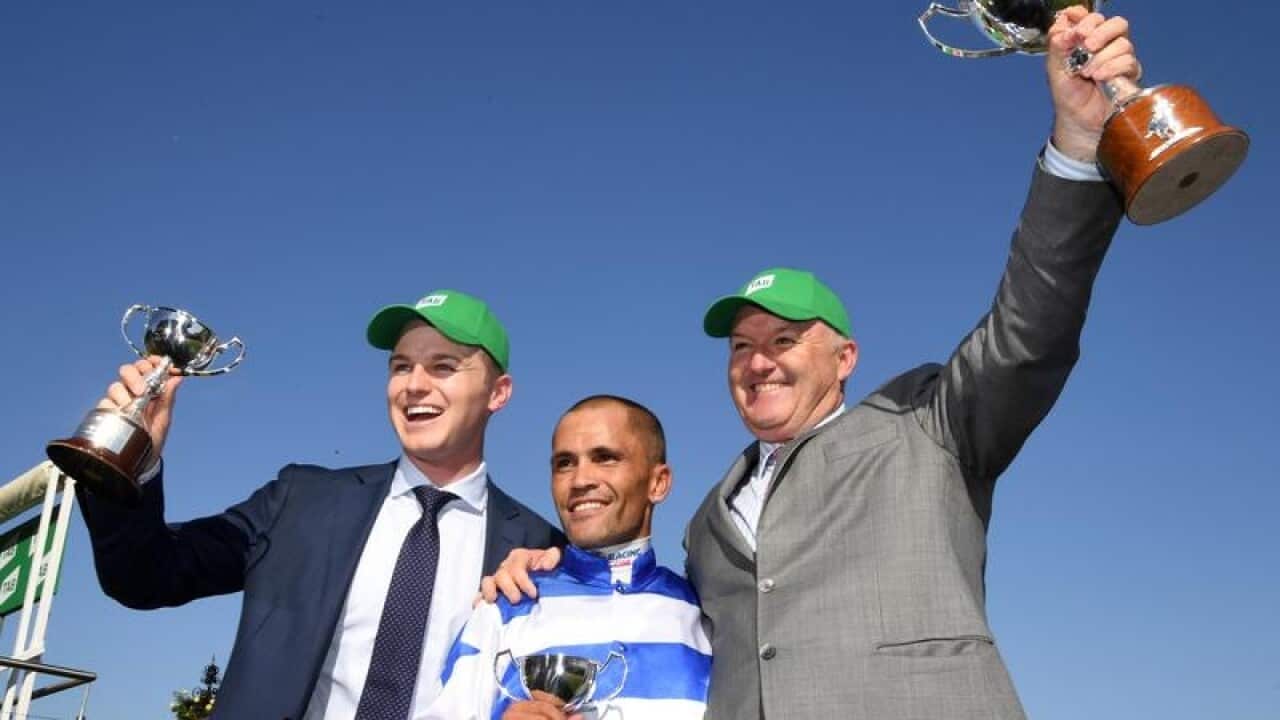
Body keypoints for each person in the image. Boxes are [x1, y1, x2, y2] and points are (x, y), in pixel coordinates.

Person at [484, 8, 1140, 719]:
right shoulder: (705, 527)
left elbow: (1030, 331)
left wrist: (1077, 143)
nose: (758, 363)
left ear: (846, 357)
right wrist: (549, 566)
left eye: (784, 340)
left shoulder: (929, 428)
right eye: (741, 347)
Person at [77, 289, 565, 719]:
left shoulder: (540, 548)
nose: (414, 384)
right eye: (401, 366)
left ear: (498, 393)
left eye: (443, 366)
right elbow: (143, 576)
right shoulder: (299, 500)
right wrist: (131, 458)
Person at [427, 395, 710, 720]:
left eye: (605, 458)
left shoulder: (706, 613)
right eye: (564, 463)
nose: (579, 480)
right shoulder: (506, 604)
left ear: (658, 483)